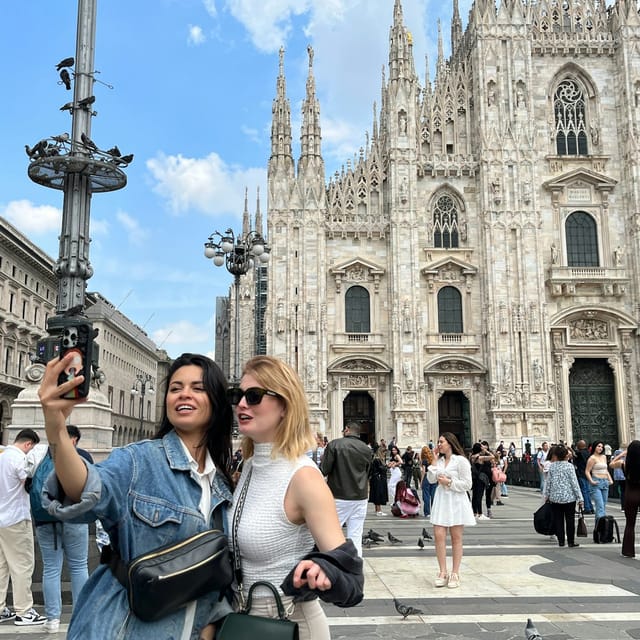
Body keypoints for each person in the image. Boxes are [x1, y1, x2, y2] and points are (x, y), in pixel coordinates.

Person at [37, 352, 235, 639]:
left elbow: (213, 581)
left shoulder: (222, 486)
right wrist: (55, 424)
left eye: (198, 388)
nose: (184, 395)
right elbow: (83, 488)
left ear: (217, 402)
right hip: (123, 627)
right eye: (176, 388)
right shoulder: (138, 460)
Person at [227, 356, 363, 640]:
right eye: (237, 395)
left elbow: (352, 580)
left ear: (285, 407)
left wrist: (324, 568)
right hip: (244, 622)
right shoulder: (250, 465)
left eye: (253, 396)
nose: (241, 404)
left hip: (288, 624)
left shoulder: (303, 477)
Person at [33, 425, 94, 634]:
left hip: (45, 519)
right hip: (75, 518)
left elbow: (28, 486)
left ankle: (52, 619)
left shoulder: (41, 455)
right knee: (78, 566)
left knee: (51, 568)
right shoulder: (83, 456)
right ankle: (80, 615)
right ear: (75, 439)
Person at [0, 429, 46, 626]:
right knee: (22, 565)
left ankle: (1, 608)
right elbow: (26, 482)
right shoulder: (19, 458)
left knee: (1, 567)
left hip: (1, 517)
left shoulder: (2, 456)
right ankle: (24, 611)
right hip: (16, 518)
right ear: (28, 444)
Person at [427, 432, 475, 589]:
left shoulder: (461, 461)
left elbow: (468, 484)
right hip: (441, 500)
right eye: (438, 442)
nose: (438, 445)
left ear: (450, 443)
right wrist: (433, 460)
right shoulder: (439, 461)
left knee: (456, 537)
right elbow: (431, 479)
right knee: (438, 535)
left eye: (441, 442)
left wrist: (449, 482)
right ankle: (442, 571)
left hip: (456, 501)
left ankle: (455, 572)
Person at [322, 422, 372, 556]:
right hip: (360, 497)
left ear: (347, 430)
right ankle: (355, 568)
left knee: (331, 533)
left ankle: (332, 565)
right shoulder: (366, 449)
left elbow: (324, 469)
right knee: (356, 535)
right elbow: (368, 471)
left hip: (339, 496)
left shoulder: (335, 444)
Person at [543, 444, 583, 547]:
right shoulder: (570, 466)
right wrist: (580, 497)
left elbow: (549, 482)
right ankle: (571, 541)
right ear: (566, 455)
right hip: (569, 497)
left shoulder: (552, 466)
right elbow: (574, 483)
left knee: (558, 519)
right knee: (570, 520)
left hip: (555, 497)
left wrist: (547, 495)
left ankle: (561, 541)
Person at [611, 441, 640, 558]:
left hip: (630, 495)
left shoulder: (624, 464)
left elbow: (611, 464)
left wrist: (622, 454)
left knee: (630, 524)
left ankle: (628, 551)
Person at [585, 440, 613, 522]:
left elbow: (606, 470)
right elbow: (587, 471)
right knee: (600, 506)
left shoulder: (604, 457)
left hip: (605, 482)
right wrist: (591, 481)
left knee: (603, 506)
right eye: (598, 446)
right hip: (596, 482)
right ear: (594, 447)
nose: (600, 448)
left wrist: (610, 480)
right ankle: (602, 529)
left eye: (601, 446)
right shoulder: (592, 458)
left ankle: (599, 529)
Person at [573, 440, 594, 514]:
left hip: (581, 474)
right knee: (587, 491)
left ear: (579, 446)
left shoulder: (579, 453)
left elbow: (574, 455)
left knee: (584, 491)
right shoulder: (588, 453)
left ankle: (587, 508)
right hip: (588, 474)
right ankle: (591, 508)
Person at [369, 447, 389, 516]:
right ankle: (379, 510)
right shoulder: (377, 460)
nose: (385, 454)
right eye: (384, 452)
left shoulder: (377, 460)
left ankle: (377, 510)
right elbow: (381, 469)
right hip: (378, 479)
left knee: (377, 494)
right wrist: (387, 466)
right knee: (378, 494)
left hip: (377, 478)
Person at [420, 445, 436, 518]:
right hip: (433, 477)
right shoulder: (432, 459)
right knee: (433, 495)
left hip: (427, 476)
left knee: (426, 496)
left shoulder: (424, 460)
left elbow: (423, 471)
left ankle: (427, 512)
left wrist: (421, 481)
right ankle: (434, 512)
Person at [610, 443, 627, 509]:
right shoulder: (626, 454)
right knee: (627, 490)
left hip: (618, 475)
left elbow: (612, 463)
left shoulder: (616, 454)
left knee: (622, 491)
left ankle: (623, 506)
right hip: (625, 474)